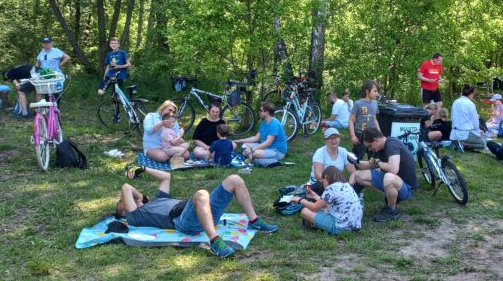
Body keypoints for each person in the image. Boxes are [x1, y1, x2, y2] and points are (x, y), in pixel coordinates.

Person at [116, 167, 278, 258]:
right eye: (123, 202)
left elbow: (166, 177)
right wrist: (141, 198)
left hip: (203, 213)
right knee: (201, 194)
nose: (126, 199)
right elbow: (126, 187)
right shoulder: (136, 216)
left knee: (234, 179)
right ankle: (215, 241)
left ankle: (254, 220)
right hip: (184, 222)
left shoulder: (158, 199)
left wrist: (142, 168)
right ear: (124, 212)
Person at [351, 127, 418, 222]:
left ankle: (391, 210)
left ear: (376, 140)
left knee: (389, 177)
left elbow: (393, 169)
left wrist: (378, 163)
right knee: (358, 176)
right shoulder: (378, 148)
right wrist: (355, 161)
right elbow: (369, 165)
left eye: (369, 146)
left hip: (406, 187)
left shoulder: (391, 144)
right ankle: (390, 195)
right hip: (395, 181)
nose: (369, 149)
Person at [291, 166, 362, 235]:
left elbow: (314, 207)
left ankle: (317, 225)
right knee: (325, 208)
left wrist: (300, 199)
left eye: (323, 181)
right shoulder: (346, 185)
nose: (323, 184)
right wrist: (314, 196)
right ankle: (317, 223)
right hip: (354, 225)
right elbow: (326, 203)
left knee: (305, 211)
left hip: (341, 227)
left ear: (326, 177)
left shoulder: (331, 188)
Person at [234, 102, 287, 166]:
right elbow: (256, 138)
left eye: (261, 111)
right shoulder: (264, 122)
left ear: (266, 112)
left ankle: (251, 159)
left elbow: (268, 143)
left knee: (256, 153)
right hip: (266, 148)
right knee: (245, 145)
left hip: (277, 151)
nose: (259, 112)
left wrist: (251, 149)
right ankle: (253, 159)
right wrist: (238, 141)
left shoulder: (274, 123)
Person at [308, 128, 356, 195]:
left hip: (338, 183)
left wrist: (350, 185)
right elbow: (318, 176)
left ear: (339, 138)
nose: (334, 141)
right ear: (325, 141)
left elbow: (353, 172)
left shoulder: (343, 151)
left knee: (357, 179)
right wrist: (335, 185)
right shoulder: (320, 153)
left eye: (336, 137)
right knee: (322, 187)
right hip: (320, 182)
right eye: (330, 138)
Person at [349, 80, 381, 160]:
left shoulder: (375, 103)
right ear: (367, 91)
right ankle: (355, 168)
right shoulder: (358, 104)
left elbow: (375, 119)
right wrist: (353, 135)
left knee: (373, 157)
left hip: (372, 135)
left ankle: (370, 168)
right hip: (360, 134)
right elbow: (351, 120)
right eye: (375, 91)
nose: (377, 94)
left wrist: (379, 133)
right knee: (357, 157)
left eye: (377, 91)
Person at [449, 84, 486, 149]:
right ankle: (463, 144)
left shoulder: (455, 102)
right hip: (465, 134)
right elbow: (475, 123)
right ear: (471, 94)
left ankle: (458, 143)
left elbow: (452, 117)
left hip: (454, 134)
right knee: (483, 144)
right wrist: (478, 132)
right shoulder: (470, 104)